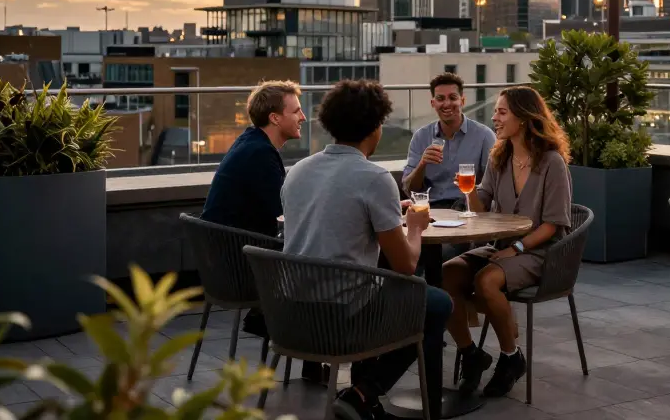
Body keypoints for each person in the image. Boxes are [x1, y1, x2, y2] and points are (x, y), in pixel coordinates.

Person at [281, 80, 453, 420]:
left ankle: (366, 403)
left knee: (381, 291)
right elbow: (405, 265)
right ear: (375, 127)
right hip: (342, 318)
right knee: (436, 303)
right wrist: (415, 228)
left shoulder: (298, 171)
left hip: (290, 315)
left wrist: (387, 212)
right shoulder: (373, 178)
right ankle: (363, 393)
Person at [443, 86, 573, 398]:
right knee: (447, 273)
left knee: (487, 281)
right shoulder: (499, 158)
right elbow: (481, 212)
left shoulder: (551, 163)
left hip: (540, 251)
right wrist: (470, 189)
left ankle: (511, 357)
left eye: (502, 112)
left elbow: (554, 225)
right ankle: (471, 354)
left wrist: (516, 249)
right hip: (500, 246)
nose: (495, 117)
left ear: (525, 118)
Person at [200, 80, 304, 338]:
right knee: (322, 263)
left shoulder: (250, 142)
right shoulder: (260, 154)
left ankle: (285, 330)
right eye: (296, 111)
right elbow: (286, 213)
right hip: (240, 268)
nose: (303, 117)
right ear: (275, 118)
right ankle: (303, 335)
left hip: (222, 262)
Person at [400, 72, 496, 285]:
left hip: (465, 212)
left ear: (462, 100)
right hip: (430, 213)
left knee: (440, 255)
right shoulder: (422, 137)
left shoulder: (483, 136)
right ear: (433, 103)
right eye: (441, 99)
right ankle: (419, 307)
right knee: (404, 255)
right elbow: (408, 187)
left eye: (452, 97)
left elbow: (494, 184)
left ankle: (438, 306)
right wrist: (423, 164)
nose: (447, 104)